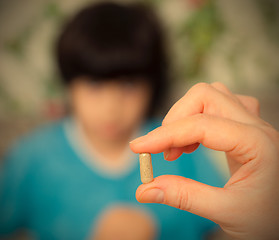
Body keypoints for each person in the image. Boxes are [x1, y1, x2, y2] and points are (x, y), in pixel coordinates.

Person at [0, 2, 225, 240]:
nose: (111, 108)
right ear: (69, 85)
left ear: (151, 86)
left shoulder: (184, 148)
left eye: (128, 85)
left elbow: (224, 226)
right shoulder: (32, 158)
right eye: (94, 85)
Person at [130, 82, 279, 239]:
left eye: (128, 86)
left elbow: (217, 229)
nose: (111, 105)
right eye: (99, 86)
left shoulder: (190, 153)